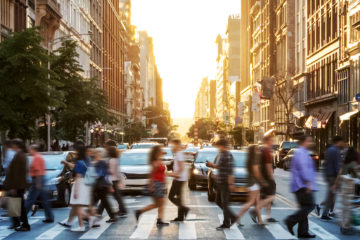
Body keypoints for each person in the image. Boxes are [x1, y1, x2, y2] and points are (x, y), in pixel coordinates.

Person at [285, 135, 316, 239]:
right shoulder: (301, 153)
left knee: (304, 208)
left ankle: (303, 232)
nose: (311, 143)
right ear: (303, 142)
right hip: (302, 185)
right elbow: (303, 169)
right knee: (310, 206)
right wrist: (308, 183)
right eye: (309, 141)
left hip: (299, 185)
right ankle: (291, 220)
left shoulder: (302, 152)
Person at [58, 141, 92, 232]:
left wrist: (76, 191)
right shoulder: (85, 160)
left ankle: (85, 223)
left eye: (75, 150)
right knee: (75, 205)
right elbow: (75, 166)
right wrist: (66, 163)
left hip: (80, 184)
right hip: (85, 183)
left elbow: (78, 176)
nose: (74, 151)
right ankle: (69, 222)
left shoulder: (80, 162)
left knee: (78, 206)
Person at [206, 139, 237, 230]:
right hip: (220, 181)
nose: (217, 148)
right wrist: (211, 165)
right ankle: (232, 217)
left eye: (218, 146)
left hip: (225, 183)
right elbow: (220, 166)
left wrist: (231, 183)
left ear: (222, 146)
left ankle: (226, 223)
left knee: (224, 203)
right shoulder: (222, 154)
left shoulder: (227, 155)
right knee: (218, 201)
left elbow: (230, 170)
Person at [135, 145, 169, 226]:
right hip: (156, 184)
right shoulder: (154, 161)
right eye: (160, 150)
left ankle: (140, 212)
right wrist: (151, 184)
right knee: (161, 203)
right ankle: (159, 219)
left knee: (158, 203)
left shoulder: (158, 159)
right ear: (157, 152)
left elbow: (161, 172)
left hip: (159, 184)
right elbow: (151, 174)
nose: (162, 151)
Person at [235, 145, 266, 226]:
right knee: (251, 202)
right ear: (253, 151)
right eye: (257, 150)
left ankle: (260, 220)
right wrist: (262, 181)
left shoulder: (250, 159)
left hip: (253, 183)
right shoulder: (253, 160)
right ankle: (237, 217)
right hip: (254, 183)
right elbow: (256, 172)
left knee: (257, 203)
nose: (258, 151)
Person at [4, 139, 30, 231]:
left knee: (19, 205)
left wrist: (13, 187)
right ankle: (17, 223)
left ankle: (24, 224)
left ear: (16, 145)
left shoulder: (19, 156)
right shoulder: (20, 155)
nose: (12, 146)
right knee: (15, 204)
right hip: (18, 185)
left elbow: (17, 173)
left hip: (17, 185)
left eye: (13, 145)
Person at [24, 145, 54, 223]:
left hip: (37, 179)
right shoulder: (39, 157)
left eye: (30, 149)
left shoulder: (37, 158)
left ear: (33, 150)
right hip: (40, 179)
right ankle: (50, 217)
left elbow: (37, 170)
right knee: (44, 200)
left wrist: (37, 182)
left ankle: (22, 216)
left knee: (30, 199)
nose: (29, 151)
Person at [252, 135, 277, 223]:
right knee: (271, 197)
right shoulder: (266, 151)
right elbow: (268, 166)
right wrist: (271, 178)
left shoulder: (261, 150)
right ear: (267, 141)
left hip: (261, 177)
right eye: (271, 140)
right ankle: (256, 210)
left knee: (267, 197)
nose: (272, 142)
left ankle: (268, 216)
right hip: (267, 178)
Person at [98, 146, 127, 217]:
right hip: (114, 180)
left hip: (111, 180)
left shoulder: (111, 160)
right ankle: (122, 210)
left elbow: (112, 171)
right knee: (107, 197)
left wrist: (106, 170)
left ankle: (122, 210)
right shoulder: (116, 159)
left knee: (106, 197)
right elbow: (117, 171)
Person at [321, 136, 344, 220]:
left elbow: (325, 164)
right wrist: (338, 179)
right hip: (333, 177)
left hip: (329, 175)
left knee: (331, 195)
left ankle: (324, 212)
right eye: (342, 142)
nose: (342, 144)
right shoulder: (335, 151)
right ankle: (324, 212)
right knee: (334, 195)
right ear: (338, 142)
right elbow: (338, 167)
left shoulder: (329, 150)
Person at [91, 148, 116, 223]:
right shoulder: (96, 162)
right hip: (98, 185)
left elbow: (106, 175)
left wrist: (110, 185)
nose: (94, 154)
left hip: (101, 186)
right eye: (95, 152)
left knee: (103, 202)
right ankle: (88, 215)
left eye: (96, 153)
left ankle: (113, 216)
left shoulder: (101, 163)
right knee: (94, 201)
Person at [168, 139, 190, 222]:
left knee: (171, 197)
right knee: (179, 198)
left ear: (176, 146)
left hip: (179, 178)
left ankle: (184, 208)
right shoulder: (179, 153)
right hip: (180, 178)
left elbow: (181, 168)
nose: (171, 147)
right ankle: (180, 217)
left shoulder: (179, 154)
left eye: (173, 145)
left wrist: (171, 174)